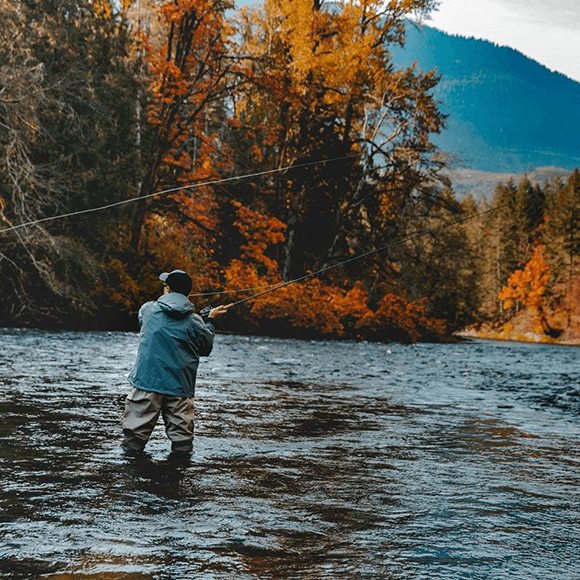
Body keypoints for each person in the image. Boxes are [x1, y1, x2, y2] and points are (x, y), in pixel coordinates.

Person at [122, 269, 231, 455]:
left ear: (167, 288)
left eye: (165, 285)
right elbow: (205, 347)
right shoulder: (195, 321)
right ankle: (176, 479)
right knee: (182, 445)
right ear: (188, 293)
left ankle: (132, 479)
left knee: (133, 442)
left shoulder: (148, 310)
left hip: (147, 384)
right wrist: (210, 321)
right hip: (180, 389)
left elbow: (151, 322)